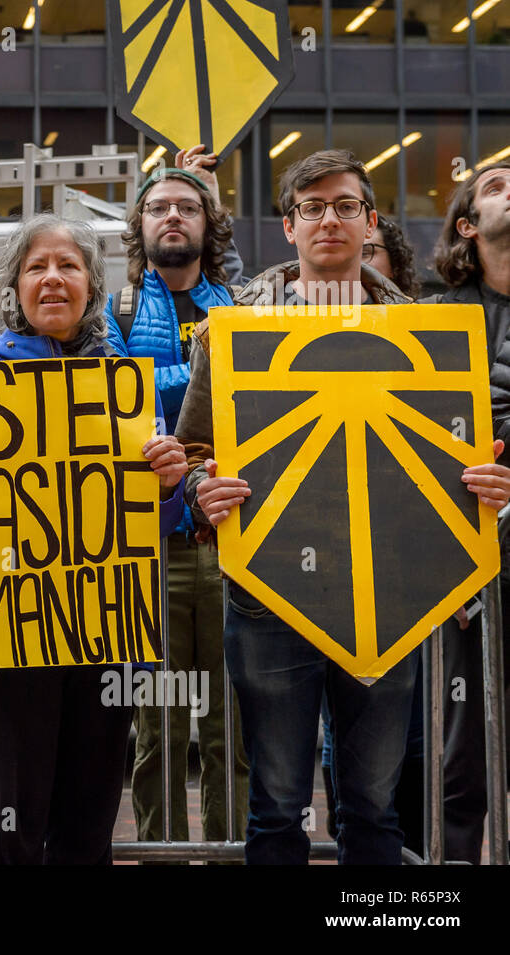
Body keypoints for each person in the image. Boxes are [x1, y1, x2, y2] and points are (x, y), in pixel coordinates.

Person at [178, 149, 510, 864]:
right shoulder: (231, 327)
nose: (330, 219)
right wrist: (200, 491)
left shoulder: (427, 331)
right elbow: (194, 451)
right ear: (290, 226)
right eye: (313, 207)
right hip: (266, 599)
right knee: (275, 810)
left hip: (387, 593)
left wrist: (483, 491)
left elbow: (457, 457)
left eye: (346, 206)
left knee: (374, 808)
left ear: (370, 223)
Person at [0, 214, 188, 864]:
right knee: (10, 834)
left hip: (105, 641)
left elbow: (162, 520)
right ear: (16, 286)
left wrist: (171, 483)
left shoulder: (126, 385)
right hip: (10, 645)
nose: (53, 278)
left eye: (68, 265)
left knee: (88, 833)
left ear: (92, 286)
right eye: (37, 266)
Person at [105, 147, 250, 854]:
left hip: (233, 542)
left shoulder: (242, 306)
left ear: (207, 222)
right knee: (156, 730)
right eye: (159, 206)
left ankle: (226, 854)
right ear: (140, 223)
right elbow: (114, 401)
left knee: (232, 728)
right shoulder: (117, 306)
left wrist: (164, 385)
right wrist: (195, 374)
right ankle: (163, 854)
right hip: (151, 547)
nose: (172, 216)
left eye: (187, 206)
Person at [441, 160, 510, 863]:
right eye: (495, 184)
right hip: (463, 562)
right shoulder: (435, 319)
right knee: (462, 752)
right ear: (467, 226)